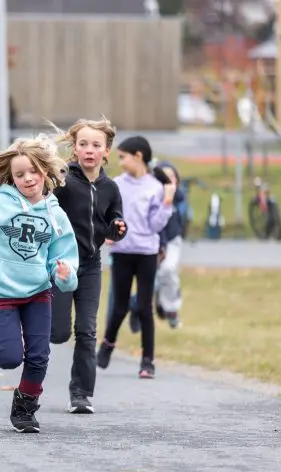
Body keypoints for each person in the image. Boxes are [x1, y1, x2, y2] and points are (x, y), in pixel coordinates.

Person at [0, 135, 79, 433]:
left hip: (39, 292)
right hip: (2, 290)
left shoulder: (56, 214)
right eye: (20, 174)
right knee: (9, 359)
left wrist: (65, 274)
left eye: (33, 172)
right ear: (12, 178)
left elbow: (63, 254)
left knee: (40, 354)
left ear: (45, 172)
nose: (28, 179)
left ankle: (25, 407)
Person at [50, 118, 127, 414]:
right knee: (57, 333)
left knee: (86, 330)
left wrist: (118, 228)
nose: (89, 150)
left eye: (96, 145)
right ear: (75, 149)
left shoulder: (110, 188)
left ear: (106, 151)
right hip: (61, 265)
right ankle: (13, 322)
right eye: (83, 144)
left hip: (91, 265)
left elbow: (113, 225)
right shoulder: (63, 181)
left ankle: (81, 393)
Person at [97, 136, 174, 379]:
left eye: (123, 157)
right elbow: (108, 215)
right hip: (122, 253)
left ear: (138, 156)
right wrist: (108, 232)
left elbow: (155, 224)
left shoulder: (155, 186)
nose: (119, 162)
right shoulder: (116, 184)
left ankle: (147, 361)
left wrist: (167, 201)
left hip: (146, 254)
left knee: (143, 307)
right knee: (119, 307)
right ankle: (107, 345)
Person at [127, 160, 186, 332]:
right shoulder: (150, 198)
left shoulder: (176, 195)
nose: (169, 179)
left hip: (173, 241)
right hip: (153, 242)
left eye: (172, 176)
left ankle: (171, 310)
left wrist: (170, 186)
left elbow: (180, 195)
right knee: (151, 280)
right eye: (164, 177)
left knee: (167, 270)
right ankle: (136, 306)